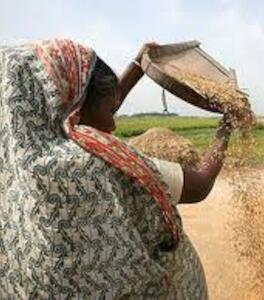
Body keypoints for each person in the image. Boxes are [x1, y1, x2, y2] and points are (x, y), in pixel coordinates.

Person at [0, 39, 233, 299]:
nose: (113, 125)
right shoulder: (103, 162)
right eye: (111, 111)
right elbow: (200, 185)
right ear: (74, 106)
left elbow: (88, 111)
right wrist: (227, 127)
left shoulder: (15, 161)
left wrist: (137, 66)